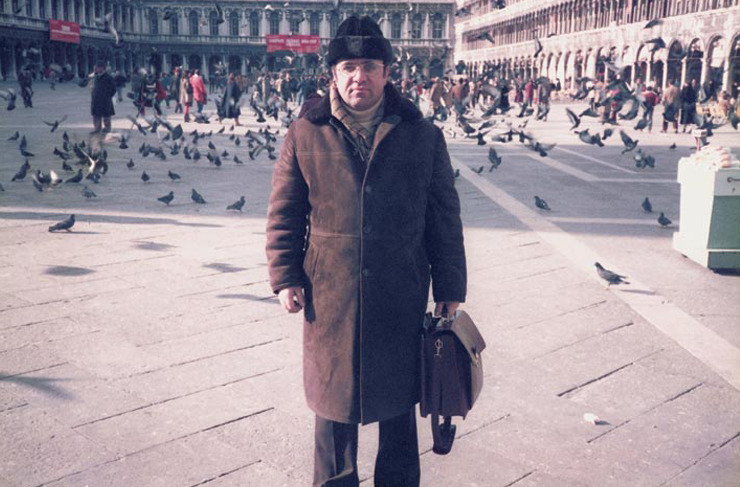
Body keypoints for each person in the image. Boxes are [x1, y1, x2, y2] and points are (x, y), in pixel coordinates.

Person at [266, 15, 466, 487]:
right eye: (349, 67)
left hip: (400, 290)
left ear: (387, 72)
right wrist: (286, 275)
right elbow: (285, 212)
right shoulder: (306, 132)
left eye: (370, 67)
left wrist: (450, 287)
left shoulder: (422, 135)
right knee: (333, 408)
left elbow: (443, 217)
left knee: (399, 408)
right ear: (333, 74)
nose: (360, 76)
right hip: (330, 294)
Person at [90, 61, 116, 134]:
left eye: (97, 67)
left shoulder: (109, 77)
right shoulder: (95, 77)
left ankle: (107, 128)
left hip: (105, 100)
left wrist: (107, 96)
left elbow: (113, 89)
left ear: (102, 68)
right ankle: (97, 129)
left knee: (106, 115)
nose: (95, 69)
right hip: (96, 99)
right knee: (96, 115)